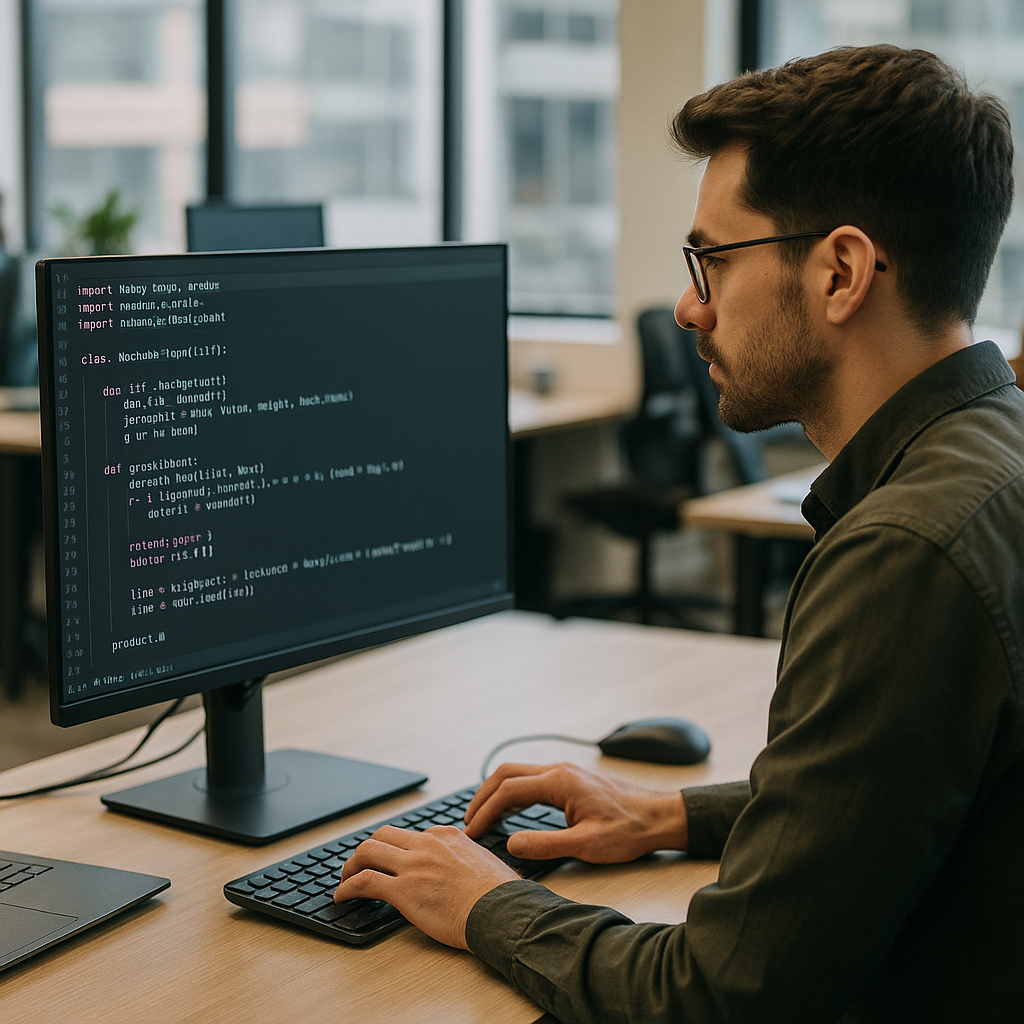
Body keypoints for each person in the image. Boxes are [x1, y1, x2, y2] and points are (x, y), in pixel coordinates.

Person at [335, 45, 1024, 1022]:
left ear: (840, 271)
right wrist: (663, 812)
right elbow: (893, 797)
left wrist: (489, 902)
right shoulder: (995, 457)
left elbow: (725, 992)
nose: (689, 305)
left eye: (712, 259)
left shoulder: (906, 550)